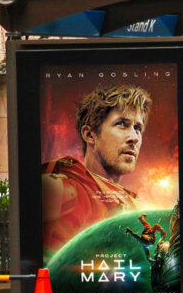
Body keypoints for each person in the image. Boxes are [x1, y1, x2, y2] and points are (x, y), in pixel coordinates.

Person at [42, 84, 151, 255]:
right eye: (122, 124)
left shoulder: (134, 202)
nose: (134, 138)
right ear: (89, 135)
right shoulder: (60, 188)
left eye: (137, 128)